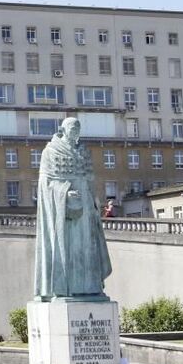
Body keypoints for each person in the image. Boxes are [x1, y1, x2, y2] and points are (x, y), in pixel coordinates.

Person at [34, 117, 112, 300]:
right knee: (67, 249)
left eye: (78, 127)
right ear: (62, 129)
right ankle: (63, 289)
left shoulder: (84, 151)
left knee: (87, 248)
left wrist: (94, 203)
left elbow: (90, 180)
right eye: (72, 127)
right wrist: (64, 193)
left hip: (85, 209)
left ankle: (90, 288)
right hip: (64, 211)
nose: (76, 130)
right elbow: (45, 183)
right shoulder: (50, 151)